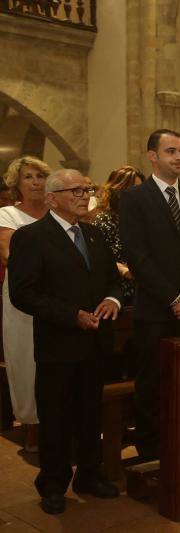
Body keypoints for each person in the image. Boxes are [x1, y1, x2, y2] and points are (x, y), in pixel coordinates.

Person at [9, 169, 123, 514]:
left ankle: (89, 474)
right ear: (52, 197)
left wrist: (112, 301)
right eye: (75, 190)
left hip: (96, 342)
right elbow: (23, 294)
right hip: (58, 342)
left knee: (90, 413)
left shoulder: (93, 234)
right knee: (55, 417)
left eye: (86, 189)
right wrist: (71, 314)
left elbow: (111, 280)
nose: (84, 194)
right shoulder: (32, 236)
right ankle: (53, 484)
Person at [119, 129, 180, 459]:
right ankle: (151, 453)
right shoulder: (135, 198)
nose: (179, 157)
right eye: (170, 151)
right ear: (152, 156)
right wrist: (174, 299)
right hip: (156, 312)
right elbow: (137, 256)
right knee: (152, 384)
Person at [0, 156, 50, 453]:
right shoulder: (7, 215)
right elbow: (9, 254)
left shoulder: (56, 212)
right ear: (17, 184)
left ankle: (57, 423)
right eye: (28, 177)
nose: (35, 182)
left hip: (59, 296)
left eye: (40, 176)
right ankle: (32, 426)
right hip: (23, 297)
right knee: (26, 360)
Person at [92, 166, 145, 305]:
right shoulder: (104, 220)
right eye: (130, 189)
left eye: (139, 190)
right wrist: (125, 271)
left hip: (149, 289)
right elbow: (99, 258)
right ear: (116, 191)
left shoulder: (148, 218)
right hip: (119, 293)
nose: (136, 195)